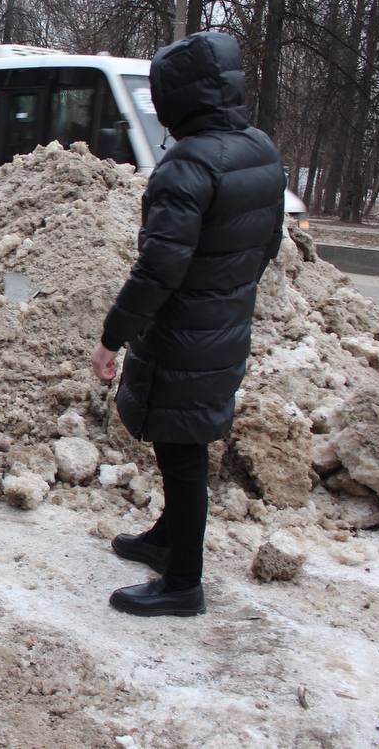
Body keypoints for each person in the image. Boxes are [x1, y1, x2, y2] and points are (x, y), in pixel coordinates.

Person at [91, 32, 285, 617]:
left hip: (182, 331)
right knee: (187, 438)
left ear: (175, 97)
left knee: (182, 449)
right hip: (225, 321)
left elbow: (159, 268)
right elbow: (268, 244)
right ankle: (167, 538)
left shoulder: (188, 164)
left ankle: (183, 582)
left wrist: (112, 335)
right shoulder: (261, 150)